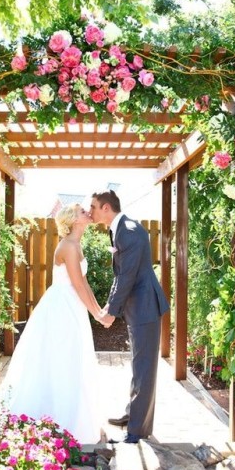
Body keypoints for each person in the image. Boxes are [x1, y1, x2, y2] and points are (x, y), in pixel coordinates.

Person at [0, 204, 103, 444]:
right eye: (80, 210)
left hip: (73, 307)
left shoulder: (76, 244)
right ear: (73, 220)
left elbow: (84, 284)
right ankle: (54, 420)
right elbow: (77, 285)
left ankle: (72, 416)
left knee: (72, 358)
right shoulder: (67, 246)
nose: (87, 210)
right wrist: (97, 315)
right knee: (61, 358)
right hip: (62, 309)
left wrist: (99, 311)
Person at [89, 190, 170, 444]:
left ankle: (138, 431)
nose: (90, 211)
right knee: (138, 365)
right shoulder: (119, 228)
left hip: (145, 307)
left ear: (106, 208)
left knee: (144, 368)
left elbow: (128, 276)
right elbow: (120, 275)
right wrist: (108, 305)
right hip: (138, 308)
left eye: (93, 206)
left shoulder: (130, 230)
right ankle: (132, 415)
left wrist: (111, 311)